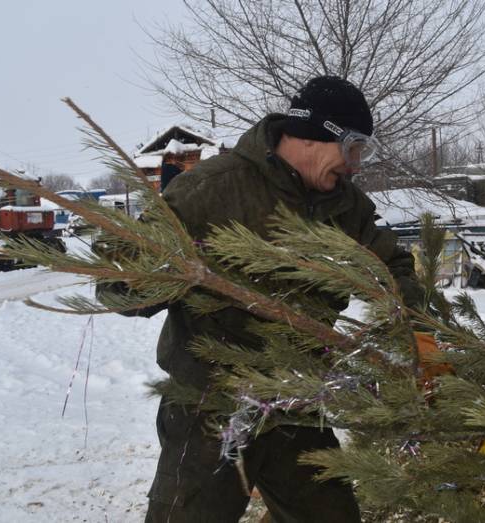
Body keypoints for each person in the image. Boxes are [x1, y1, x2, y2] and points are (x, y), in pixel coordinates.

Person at [102, 76, 422, 522]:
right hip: (209, 406)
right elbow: (118, 286)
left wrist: (413, 327)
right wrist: (161, 273)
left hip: (297, 402)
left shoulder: (345, 206)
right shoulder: (211, 189)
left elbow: (395, 269)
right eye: (352, 149)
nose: (354, 167)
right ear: (313, 137)